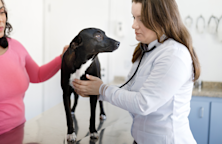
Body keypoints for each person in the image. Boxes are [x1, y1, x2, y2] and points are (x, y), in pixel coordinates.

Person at [73, 0, 200, 143]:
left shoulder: (174, 54)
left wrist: (102, 89)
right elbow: (129, 90)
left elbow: (143, 104)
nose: (134, 25)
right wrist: (93, 91)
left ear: (161, 18)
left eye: (142, 19)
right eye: (134, 18)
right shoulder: (146, 50)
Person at [0, 0, 68, 143]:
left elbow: (37, 75)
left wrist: (62, 58)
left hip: (19, 135)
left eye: (2, 11)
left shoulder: (15, 47)